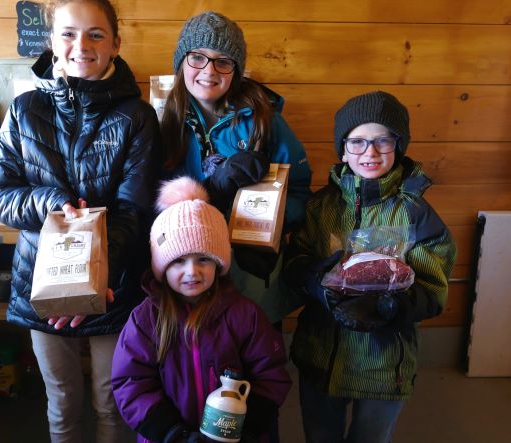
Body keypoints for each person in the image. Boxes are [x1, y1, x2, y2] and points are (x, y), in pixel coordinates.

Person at [0, 1, 160, 441]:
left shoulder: (138, 117)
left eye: (96, 34)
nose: (81, 45)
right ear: (51, 40)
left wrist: (91, 280)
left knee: (111, 400)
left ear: (115, 43)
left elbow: (133, 210)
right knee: (61, 402)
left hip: (112, 285)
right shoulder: (23, 110)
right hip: (38, 283)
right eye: (68, 33)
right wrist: (49, 201)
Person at [284, 91, 457, 443]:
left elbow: (433, 287)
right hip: (321, 354)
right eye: (358, 142)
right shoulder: (321, 208)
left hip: (383, 363)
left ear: (399, 145)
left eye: (382, 141)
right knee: (320, 435)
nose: (370, 152)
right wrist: (316, 283)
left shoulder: (414, 214)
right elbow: (295, 259)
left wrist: (391, 307)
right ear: (343, 149)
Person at [111, 177, 292, 443]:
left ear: (219, 264)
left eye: (203, 259)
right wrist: (171, 432)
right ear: (161, 267)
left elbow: (271, 373)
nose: (191, 271)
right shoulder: (145, 319)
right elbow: (131, 382)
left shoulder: (245, 314)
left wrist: (248, 426)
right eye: (178, 261)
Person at [160, 11, 313, 325]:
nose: (209, 70)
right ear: (181, 63)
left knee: (255, 353)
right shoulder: (164, 124)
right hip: (190, 267)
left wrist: (269, 225)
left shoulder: (264, 121)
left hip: (251, 271)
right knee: (199, 354)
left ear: (236, 70)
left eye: (223, 61)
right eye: (197, 57)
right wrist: (213, 188)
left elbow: (299, 191)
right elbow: (151, 200)